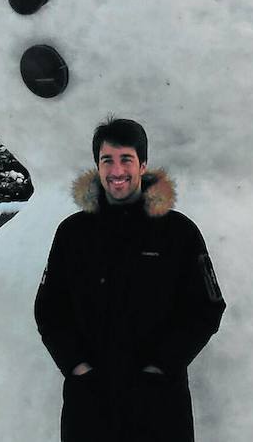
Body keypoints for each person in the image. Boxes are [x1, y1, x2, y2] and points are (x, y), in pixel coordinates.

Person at [34, 117, 225, 442]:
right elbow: (50, 310)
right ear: (97, 165)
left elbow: (206, 309)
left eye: (127, 159)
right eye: (107, 160)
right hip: (90, 404)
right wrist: (78, 367)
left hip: (159, 404)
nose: (117, 170)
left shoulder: (178, 233)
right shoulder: (73, 234)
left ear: (143, 164)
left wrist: (161, 367)